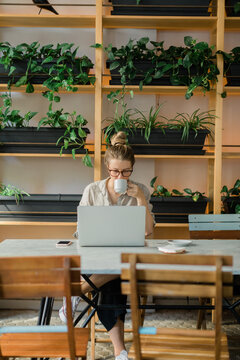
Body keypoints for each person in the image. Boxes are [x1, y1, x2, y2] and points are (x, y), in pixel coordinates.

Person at [59, 131, 154, 360]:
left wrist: (140, 198)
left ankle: (76, 290)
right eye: (115, 171)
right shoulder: (92, 190)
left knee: (116, 276)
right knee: (114, 280)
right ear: (107, 169)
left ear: (132, 168)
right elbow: (81, 231)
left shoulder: (140, 190)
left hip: (125, 260)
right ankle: (120, 351)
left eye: (125, 171)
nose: (120, 176)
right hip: (97, 259)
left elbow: (149, 231)